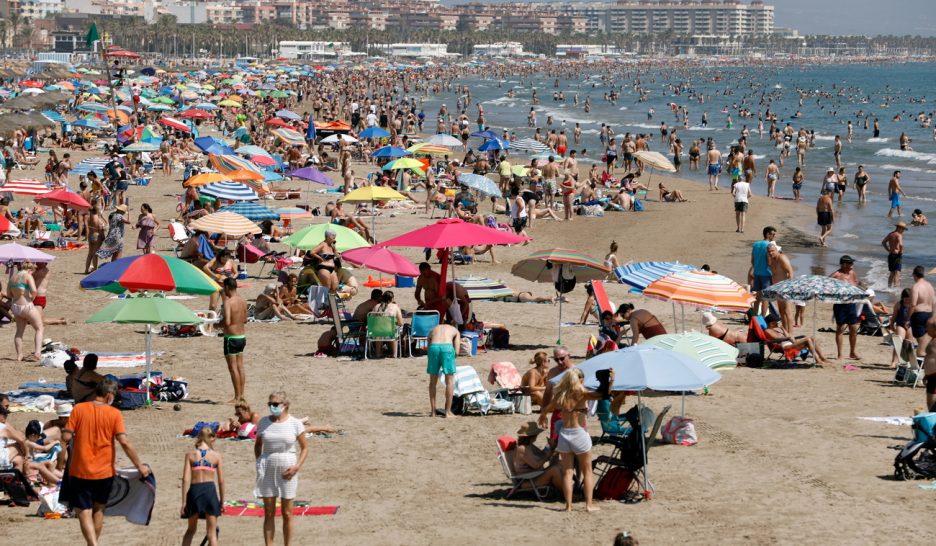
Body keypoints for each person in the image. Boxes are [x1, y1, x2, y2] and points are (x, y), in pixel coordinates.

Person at [59, 378, 150, 546]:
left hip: (80, 469)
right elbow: (124, 442)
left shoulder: (79, 409)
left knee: (83, 512)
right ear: (109, 395)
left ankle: (92, 544)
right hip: (104, 472)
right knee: (99, 510)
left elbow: (66, 436)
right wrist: (139, 465)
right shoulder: (114, 414)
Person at [538, 367, 612, 512]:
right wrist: (612, 380)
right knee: (587, 471)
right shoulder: (581, 393)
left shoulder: (560, 394)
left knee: (567, 472)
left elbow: (548, 408)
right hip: (579, 433)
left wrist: (542, 416)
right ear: (578, 379)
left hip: (565, 435)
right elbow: (604, 394)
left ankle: (568, 506)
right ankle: (589, 505)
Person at [254, 391, 308, 546]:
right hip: (268, 466)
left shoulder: (294, 423)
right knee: (269, 512)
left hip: (288, 468)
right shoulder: (263, 422)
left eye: (275, 404)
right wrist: (259, 461)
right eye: (269, 404)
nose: (272, 407)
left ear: (285, 405)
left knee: (287, 512)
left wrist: (297, 466)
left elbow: (305, 447)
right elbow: (258, 445)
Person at [181, 428, 224, 546]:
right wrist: (222, 501)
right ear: (211, 438)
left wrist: (184, 502)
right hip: (209, 490)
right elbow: (221, 481)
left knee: (190, 530)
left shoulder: (190, 455)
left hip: (194, 490)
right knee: (212, 534)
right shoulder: (216, 456)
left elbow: (185, 479)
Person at [511, 421, 563, 492]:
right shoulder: (522, 449)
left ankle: (570, 488)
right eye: (536, 434)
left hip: (535, 475)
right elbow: (536, 465)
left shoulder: (529, 446)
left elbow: (542, 455)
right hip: (527, 480)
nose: (537, 435)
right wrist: (548, 456)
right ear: (532, 436)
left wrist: (551, 447)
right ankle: (567, 494)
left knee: (560, 464)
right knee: (554, 470)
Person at [7, 261, 43, 361]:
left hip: (15, 306)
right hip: (26, 305)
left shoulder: (13, 278)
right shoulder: (27, 276)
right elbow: (34, 290)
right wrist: (31, 298)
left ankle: (19, 355)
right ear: (30, 269)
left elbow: (9, 294)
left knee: (19, 332)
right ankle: (37, 353)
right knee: (39, 328)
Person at [220, 278, 247, 404]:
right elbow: (245, 319)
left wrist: (216, 325)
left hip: (231, 338)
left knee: (233, 368)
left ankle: (236, 397)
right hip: (241, 337)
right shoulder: (242, 300)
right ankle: (241, 395)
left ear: (226, 287)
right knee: (240, 366)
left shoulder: (228, 302)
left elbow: (227, 322)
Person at [763, 315, 831, 366]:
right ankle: (818, 360)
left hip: (790, 344)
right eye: (776, 322)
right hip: (785, 347)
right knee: (808, 339)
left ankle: (822, 358)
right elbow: (776, 339)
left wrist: (783, 328)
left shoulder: (776, 330)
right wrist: (788, 338)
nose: (778, 323)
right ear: (771, 323)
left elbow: (788, 335)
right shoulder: (767, 331)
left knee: (812, 338)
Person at [830, 255, 861, 360]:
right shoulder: (836, 274)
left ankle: (852, 352)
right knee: (840, 328)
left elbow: (857, 282)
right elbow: (827, 285)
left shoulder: (852, 273)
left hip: (851, 303)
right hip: (840, 304)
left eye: (852, 263)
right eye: (850, 263)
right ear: (843, 264)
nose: (852, 266)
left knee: (853, 328)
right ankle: (840, 354)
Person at [427, 323, 460, 417]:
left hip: (433, 348)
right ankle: (448, 412)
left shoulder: (434, 328)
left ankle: (433, 412)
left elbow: (428, 343)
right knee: (449, 382)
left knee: (432, 382)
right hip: (447, 348)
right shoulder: (455, 330)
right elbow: (457, 351)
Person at [748, 226, 777, 316]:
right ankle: (763, 317)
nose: (774, 236)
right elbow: (769, 261)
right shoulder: (769, 245)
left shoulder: (756, 244)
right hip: (766, 274)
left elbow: (752, 260)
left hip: (757, 273)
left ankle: (755, 316)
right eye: (773, 234)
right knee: (766, 298)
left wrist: (756, 267)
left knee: (758, 297)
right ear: (768, 234)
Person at [767, 242, 795, 333]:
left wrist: (789, 288)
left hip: (785, 288)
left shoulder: (782, 258)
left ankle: (790, 333)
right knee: (781, 311)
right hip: (777, 288)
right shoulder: (771, 260)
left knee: (787, 311)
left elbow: (790, 272)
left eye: (772, 251)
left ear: (776, 250)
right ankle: (785, 331)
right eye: (769, 251)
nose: (771, 253)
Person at [909, 265, 936, 359]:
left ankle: (927, 360)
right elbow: (934, 301)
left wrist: (908, 318)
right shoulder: (929, 285)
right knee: (926, 339)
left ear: (914, 275)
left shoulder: (916, 287)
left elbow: (913, 304)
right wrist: (933, 316)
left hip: (919, 315)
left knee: (921, 342)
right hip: (929, 314)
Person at [373, 290, 404, 357]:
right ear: (392, 298)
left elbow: (372, 321)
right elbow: (401, 322)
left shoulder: (376, 306)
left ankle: (378, 353)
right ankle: (394, 354)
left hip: (376, 332)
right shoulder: (395, 307)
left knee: (380, 330)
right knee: (394, 329)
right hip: (390, 332)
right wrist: (393, 322)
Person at [0, 401, 26, 473]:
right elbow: (22, 440)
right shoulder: (3, 427)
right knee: (17, 445)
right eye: (4, 414)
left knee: (19, 459)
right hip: (1, 460)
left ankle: (18, 480)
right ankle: (27, 464)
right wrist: (27, 455)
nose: (6, 416)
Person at [890, 288, 912, 368]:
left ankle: (906, 361)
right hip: (900, 324)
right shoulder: (899, 304)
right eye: (905, 299)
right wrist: (891, 324)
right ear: (902, 297)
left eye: (909, 299)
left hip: (910, 325)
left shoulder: (913, 305)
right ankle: (894, 361)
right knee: (898, 341)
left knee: (908, 343)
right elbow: (894, 316)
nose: (907, 301)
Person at [881, 222, 907, 288]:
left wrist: (888, 250)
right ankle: (895, 288)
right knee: (897, 273)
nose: (903, 231)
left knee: (892, 273)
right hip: (897, 255)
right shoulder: (899, 235)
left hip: (891, 255)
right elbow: (901, 244)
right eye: (903, 229)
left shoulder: (891, 234)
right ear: (899, 228)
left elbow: (883, 242)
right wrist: (901, 252)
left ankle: (889, 287)